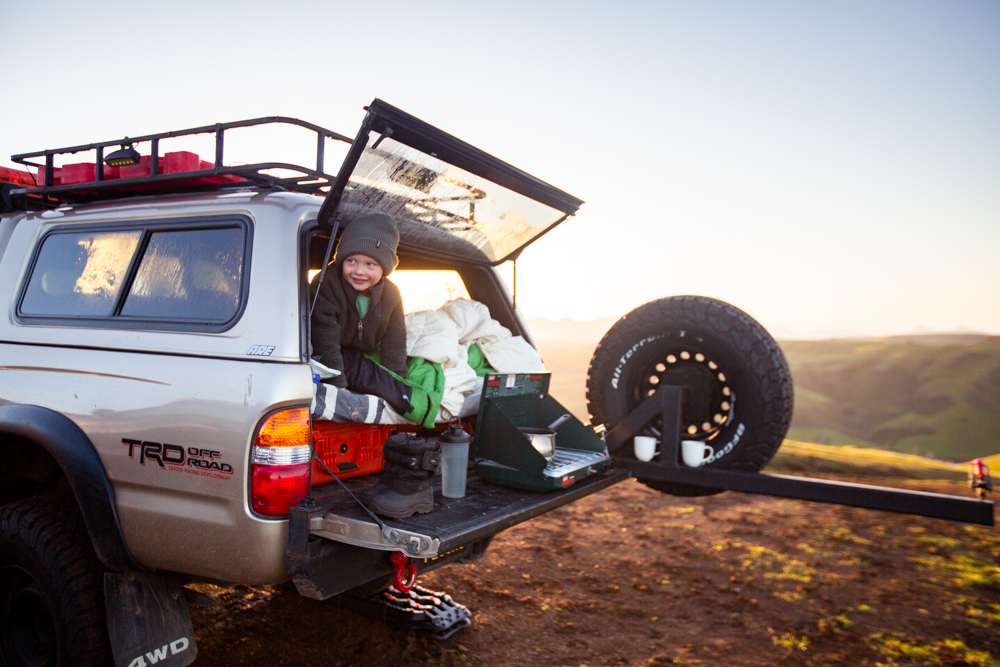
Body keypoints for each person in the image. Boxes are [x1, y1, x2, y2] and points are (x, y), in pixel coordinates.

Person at [310, 212, 412, 414]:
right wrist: (338, 386)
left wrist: (397, 384)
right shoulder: (326, 284)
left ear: (385, 267)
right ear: (341, 260)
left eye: (370, 264)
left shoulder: (391, 294)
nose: (359, 271)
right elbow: (325, 337)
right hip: (330, 358)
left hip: (362, 356)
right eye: (351, 261)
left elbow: (395, 341)